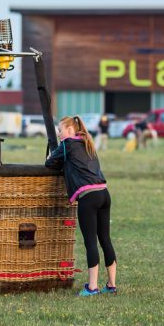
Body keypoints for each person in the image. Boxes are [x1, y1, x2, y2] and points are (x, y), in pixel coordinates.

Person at [45, 115, 117, 297]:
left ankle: (92, 287)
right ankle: (111, 284)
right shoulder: (87, 143)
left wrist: (50, 154)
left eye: (60, 130)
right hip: (103, 193)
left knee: (90, 242)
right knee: (105, 239)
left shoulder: (67, 144)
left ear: (69, 130)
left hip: (88, 196)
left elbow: (50, 163)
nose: (59, 134)